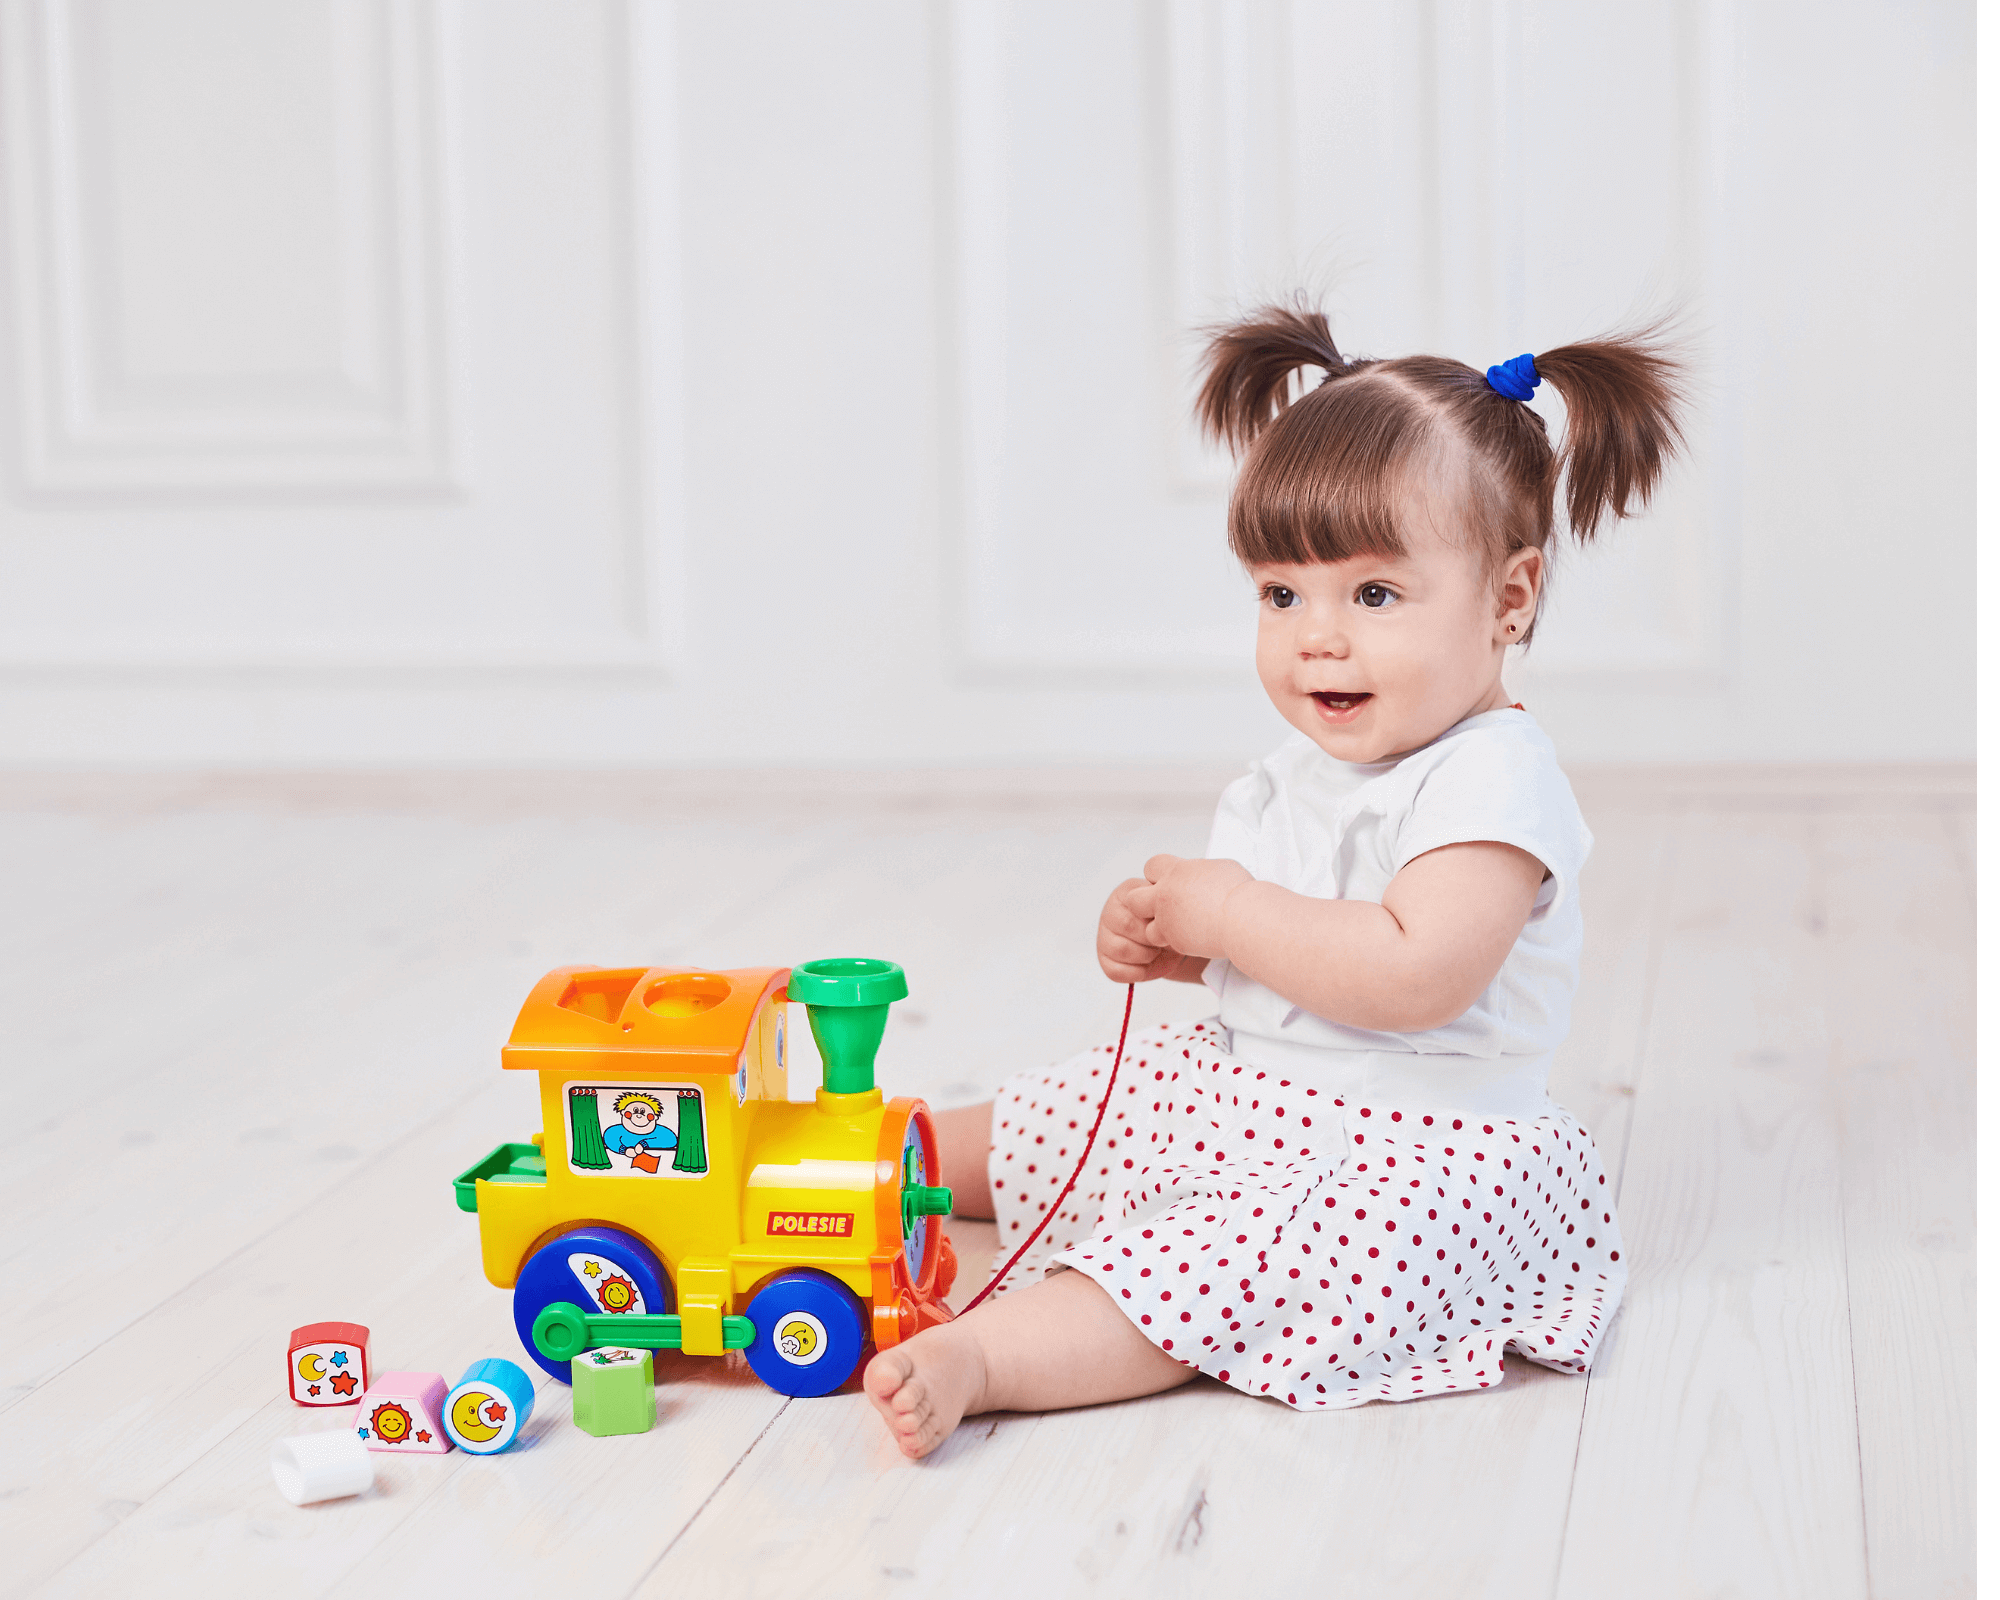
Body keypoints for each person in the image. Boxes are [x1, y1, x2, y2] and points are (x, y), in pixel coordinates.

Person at [862, 300, 1686, 1459]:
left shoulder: (1492, 781)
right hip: (1255, 1092)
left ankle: (987, 1355)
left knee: (1207, 1263)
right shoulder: (1302, 768)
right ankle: (863, 1161)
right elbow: (1282, 953)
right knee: (1060, 1119)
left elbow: (1414, 974)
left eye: (1374, 595)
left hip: (1409, 1151)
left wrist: (1234, 912)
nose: (1315, 638)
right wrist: (1182, 943)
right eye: (1279, 594)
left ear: (1508, 600)